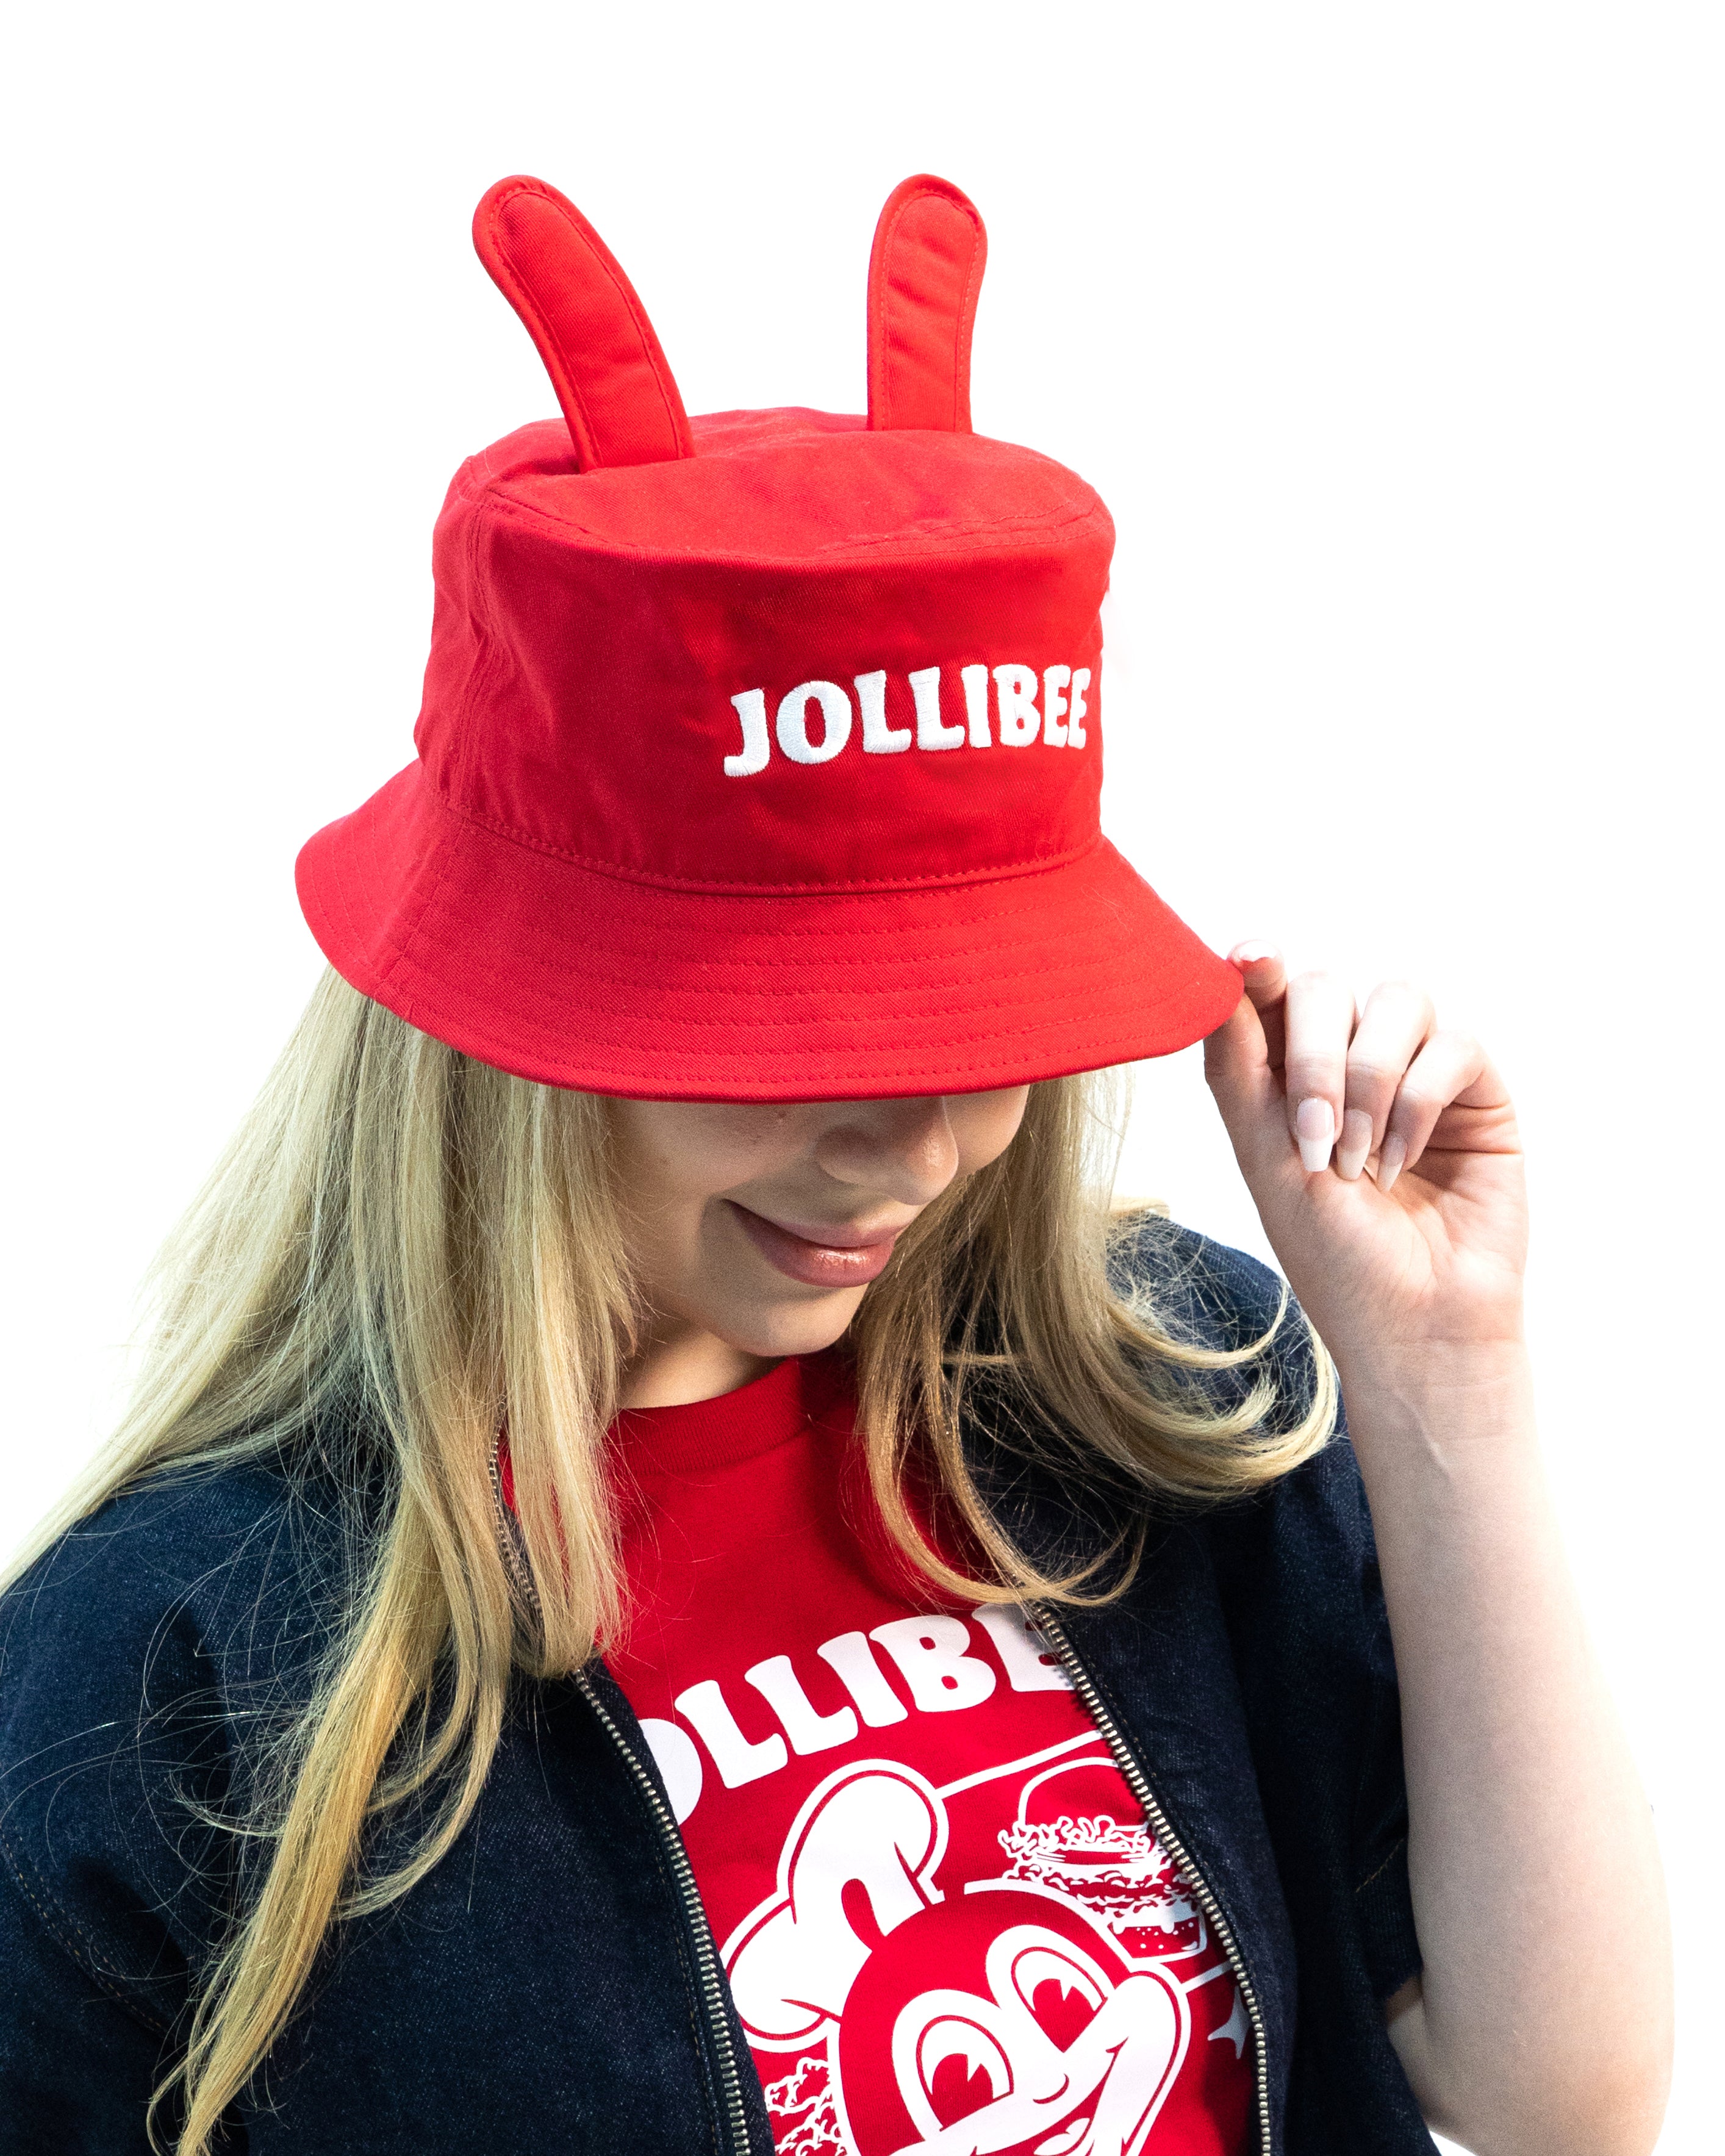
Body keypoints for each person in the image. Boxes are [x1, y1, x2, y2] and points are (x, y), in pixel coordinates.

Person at [0, 173, 1670, 2156]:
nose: (920, 1144)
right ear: (503, 1024)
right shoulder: (165, 1674)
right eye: (791, 1039)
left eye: (974, 1028)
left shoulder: (1157, 1403)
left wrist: (1438, 1384)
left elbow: (1558, 2099)